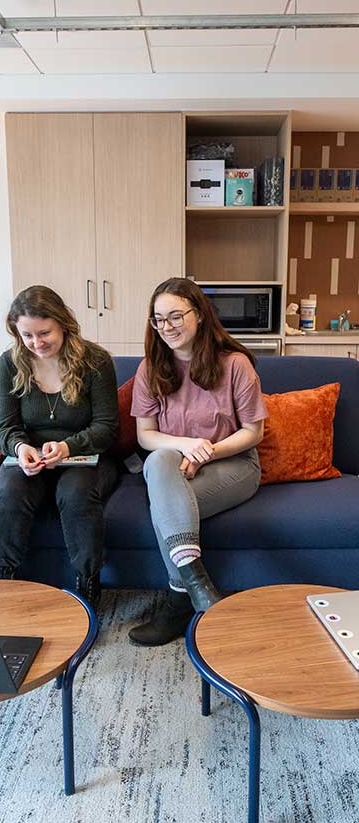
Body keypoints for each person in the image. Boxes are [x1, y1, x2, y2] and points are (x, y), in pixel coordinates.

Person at [128, 277, 266, 646]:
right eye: (159, 319)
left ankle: (179, 597)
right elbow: (146, 435)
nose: (167, 327)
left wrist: (209, 452)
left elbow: (254, 431)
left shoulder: (235, 365)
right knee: (156, 462)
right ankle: (196, 581)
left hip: (234, 464)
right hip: (175, 464)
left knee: (164, 507)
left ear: (200, 315)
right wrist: (189, 446)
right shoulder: (151, 368)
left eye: (176, 316)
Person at [0, 285, 119, 602]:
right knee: (8, 494)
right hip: (31, 459)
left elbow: (107, 427)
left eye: (44, 332)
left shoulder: (95, 361)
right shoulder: (9, 363)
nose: (37, 343)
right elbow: (4, 427)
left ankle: (87, 583)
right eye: (27, 336)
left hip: (84, 457)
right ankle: (2, 582)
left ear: (62, 322)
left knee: (75, 495)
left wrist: (67, 447)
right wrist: (20, 448)